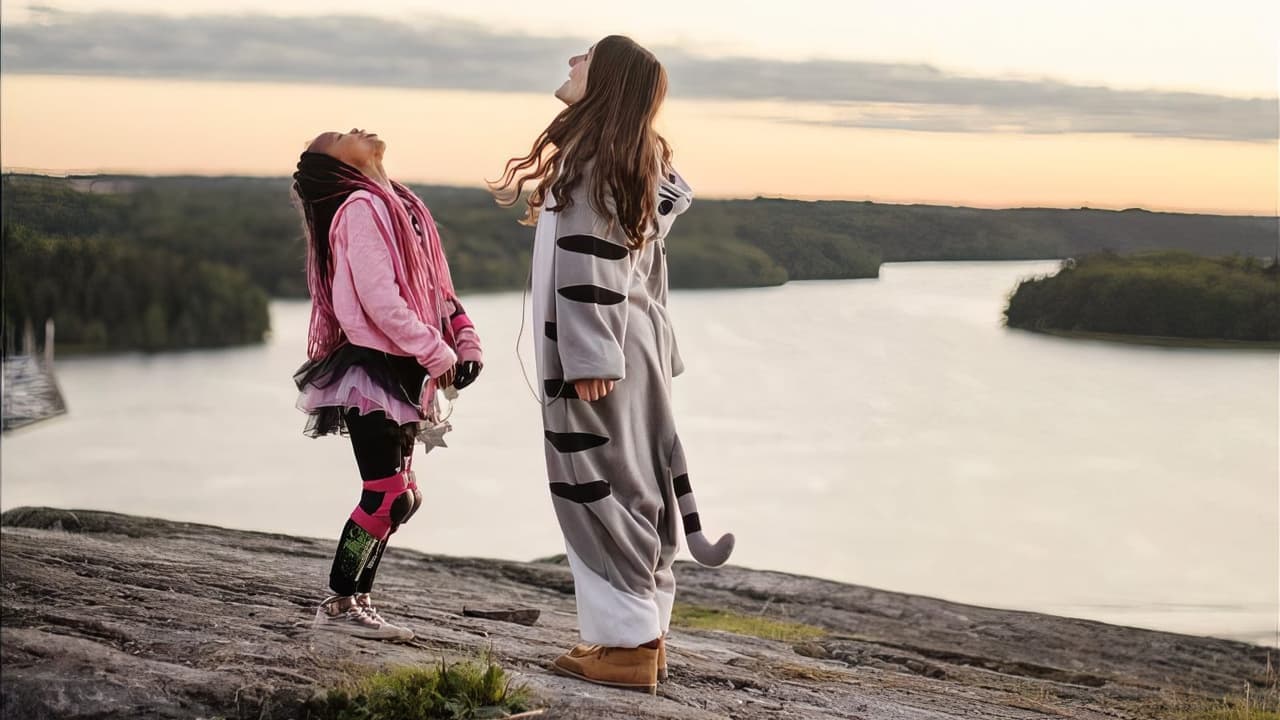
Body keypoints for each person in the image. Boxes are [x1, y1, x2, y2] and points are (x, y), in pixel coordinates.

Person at [491, 36, 734, 693]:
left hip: (597, 351)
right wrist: (650, 354)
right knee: (639, 486)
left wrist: (589, 352)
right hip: (634, 346)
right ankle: (642, 634)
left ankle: (623, 646)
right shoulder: (631, 157)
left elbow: (587, 255)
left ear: (608, 79)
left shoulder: (597, 156)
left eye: (586, 55)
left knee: (592, 485)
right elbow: (644, 271)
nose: (571, 59)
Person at [293, 129, 482, 640]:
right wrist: (435, 351)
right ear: (335, 166)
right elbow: (379, 300)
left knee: (402, 497)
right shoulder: (360, 207)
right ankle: (338, 604)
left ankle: (358, 599)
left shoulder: (400, 204)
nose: (354, 130)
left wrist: (463, 335)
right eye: (338, 137)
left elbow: (433, 286)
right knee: (385, 494)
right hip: (371, 369)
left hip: (401, 370)